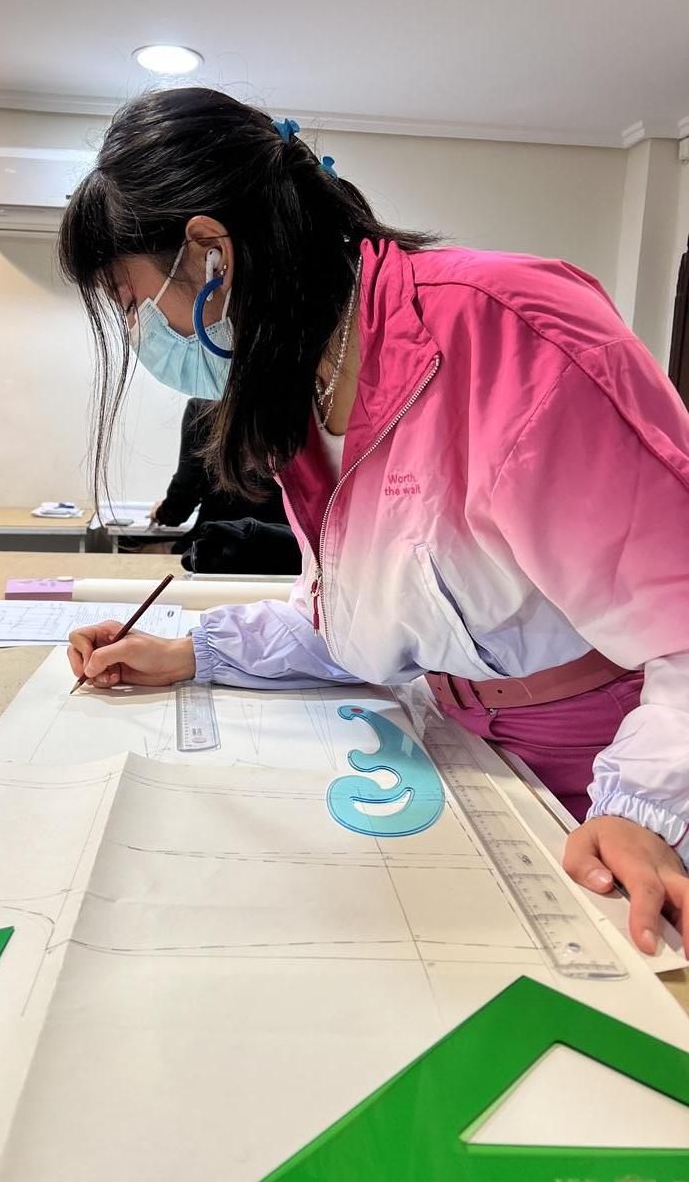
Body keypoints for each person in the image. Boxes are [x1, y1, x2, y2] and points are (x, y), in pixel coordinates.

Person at [60, 87, 689, 957]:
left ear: (211, 252)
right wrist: (194, 652)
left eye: (135, 301)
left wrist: (644, 806)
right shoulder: (307, 384)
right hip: (466, 747)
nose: (144, 331)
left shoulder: (508, 331)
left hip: (625, 765)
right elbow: (367, 622)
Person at [149, 398, 301, 573]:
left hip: (213, 551)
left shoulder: (203, 411)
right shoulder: (298, 411)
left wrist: (162, 513)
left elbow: (181, 502)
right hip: (279, 555)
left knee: (143, 552)